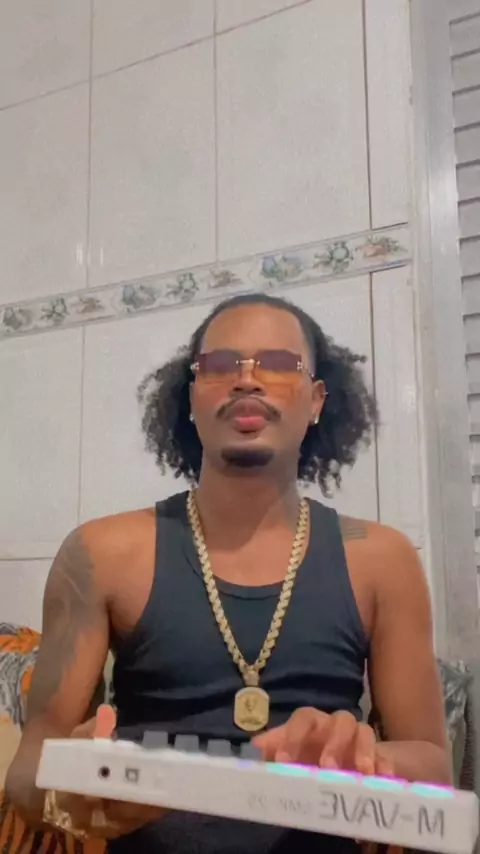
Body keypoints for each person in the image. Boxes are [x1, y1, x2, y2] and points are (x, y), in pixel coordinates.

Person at [6, 293, 450, 853]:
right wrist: (68, 796)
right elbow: (29, 768)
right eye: (220, 365)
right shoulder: (101, 553)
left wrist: (359, 759)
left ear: (316, 400)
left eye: (278, 364)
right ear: (192, 398)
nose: (247, 380)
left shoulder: (382, 560)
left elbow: (434, 768)